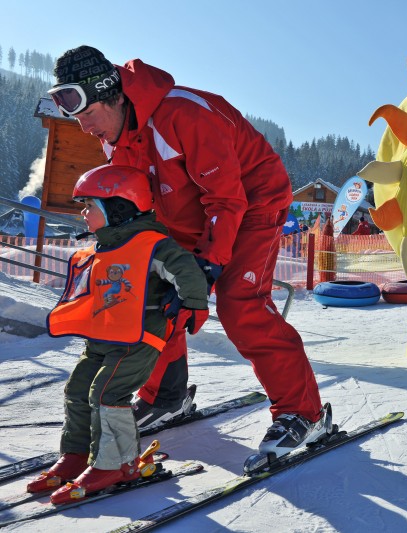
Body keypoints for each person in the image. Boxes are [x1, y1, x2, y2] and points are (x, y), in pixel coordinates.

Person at [49, 45, 329, 459]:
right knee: (153, 294)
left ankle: (302, 412)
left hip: (250, 201)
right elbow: (141, 207)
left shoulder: (183, 113)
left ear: (111, 94)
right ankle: (166, 395)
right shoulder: (115, 140)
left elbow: (225, 198)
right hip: (185, 213)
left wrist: (209, 264)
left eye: (86, 114)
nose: (83, 127)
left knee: (239, 302)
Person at [28, 165, 209, 503]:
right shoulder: (104, 246)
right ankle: (78, 454)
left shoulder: (151, 244)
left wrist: (194, 304)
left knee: (107, 392)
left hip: (139, 337)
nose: (83, 213)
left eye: (89, 206)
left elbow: (185, 268)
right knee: (79, 388)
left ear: (119, 207)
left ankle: (118, 463)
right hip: (104, 336)